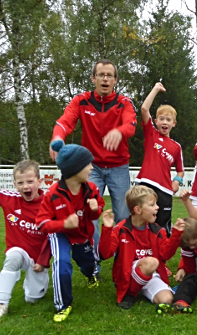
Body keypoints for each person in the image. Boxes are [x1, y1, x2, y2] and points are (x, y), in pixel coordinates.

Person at [49, 59, 137, 276]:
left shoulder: (124, 102)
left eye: (109, 75)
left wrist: (120, 131)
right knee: (90, 214)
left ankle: (123, 262)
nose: (105, 79)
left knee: (123, 215)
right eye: (101, 75)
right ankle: (94, 265)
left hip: (119, 167)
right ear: (93, 78)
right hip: (91, 168)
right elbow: (65, 122)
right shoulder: (82, 100)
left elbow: (131, 123)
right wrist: (57, 138)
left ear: (116, 80)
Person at [37, 141, 105, 322]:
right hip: (60, 235)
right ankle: (63, 305)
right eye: (88, 164)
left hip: (82, 236)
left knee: (88, 264)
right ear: (74, 169)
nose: (91, 167)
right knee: (61, 263)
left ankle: (91, 275)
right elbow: (42, 223)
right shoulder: (51, 194)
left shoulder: (92, 189)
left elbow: (95, 214)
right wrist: (63, 225)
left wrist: (94, 209)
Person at [99, 185, 183, 311]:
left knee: (167, 299)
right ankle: (129, 294)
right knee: (151, 262)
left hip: (150, 272)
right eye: (152, 204)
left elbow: (165, 255)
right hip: (127, 275)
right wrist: (107, 229)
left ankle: (139, 287)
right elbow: (105, 254)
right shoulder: (121, 229)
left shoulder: (158, 230)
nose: (157, 207)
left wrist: (176, 234)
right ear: (137, 210)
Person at [0, 160, 50, 318]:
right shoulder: (9, 198)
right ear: (14, 184)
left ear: (39, 181)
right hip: (18, 250)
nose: (25, 187)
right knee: (13, 257)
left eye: (30, 181)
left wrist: (43, 261)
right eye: (20, 183)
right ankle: (2, 303)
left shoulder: (49, 204)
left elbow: (54, 237)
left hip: (38, 260)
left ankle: (34, 287)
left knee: (33, 299)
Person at [135, 82, 184, 236]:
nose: (164, 122)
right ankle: (139, 253)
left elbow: (181, 171)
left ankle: (160, 256)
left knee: (161, 228)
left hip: (165, 191)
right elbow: (144, 109)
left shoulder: (176, 147)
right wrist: (156, 89)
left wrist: (176, 181)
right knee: (140, 222)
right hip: (145, 184)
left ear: (173, 124)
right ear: (155, 122)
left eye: (168, 120)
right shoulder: (151, 134)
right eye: (161, 119)